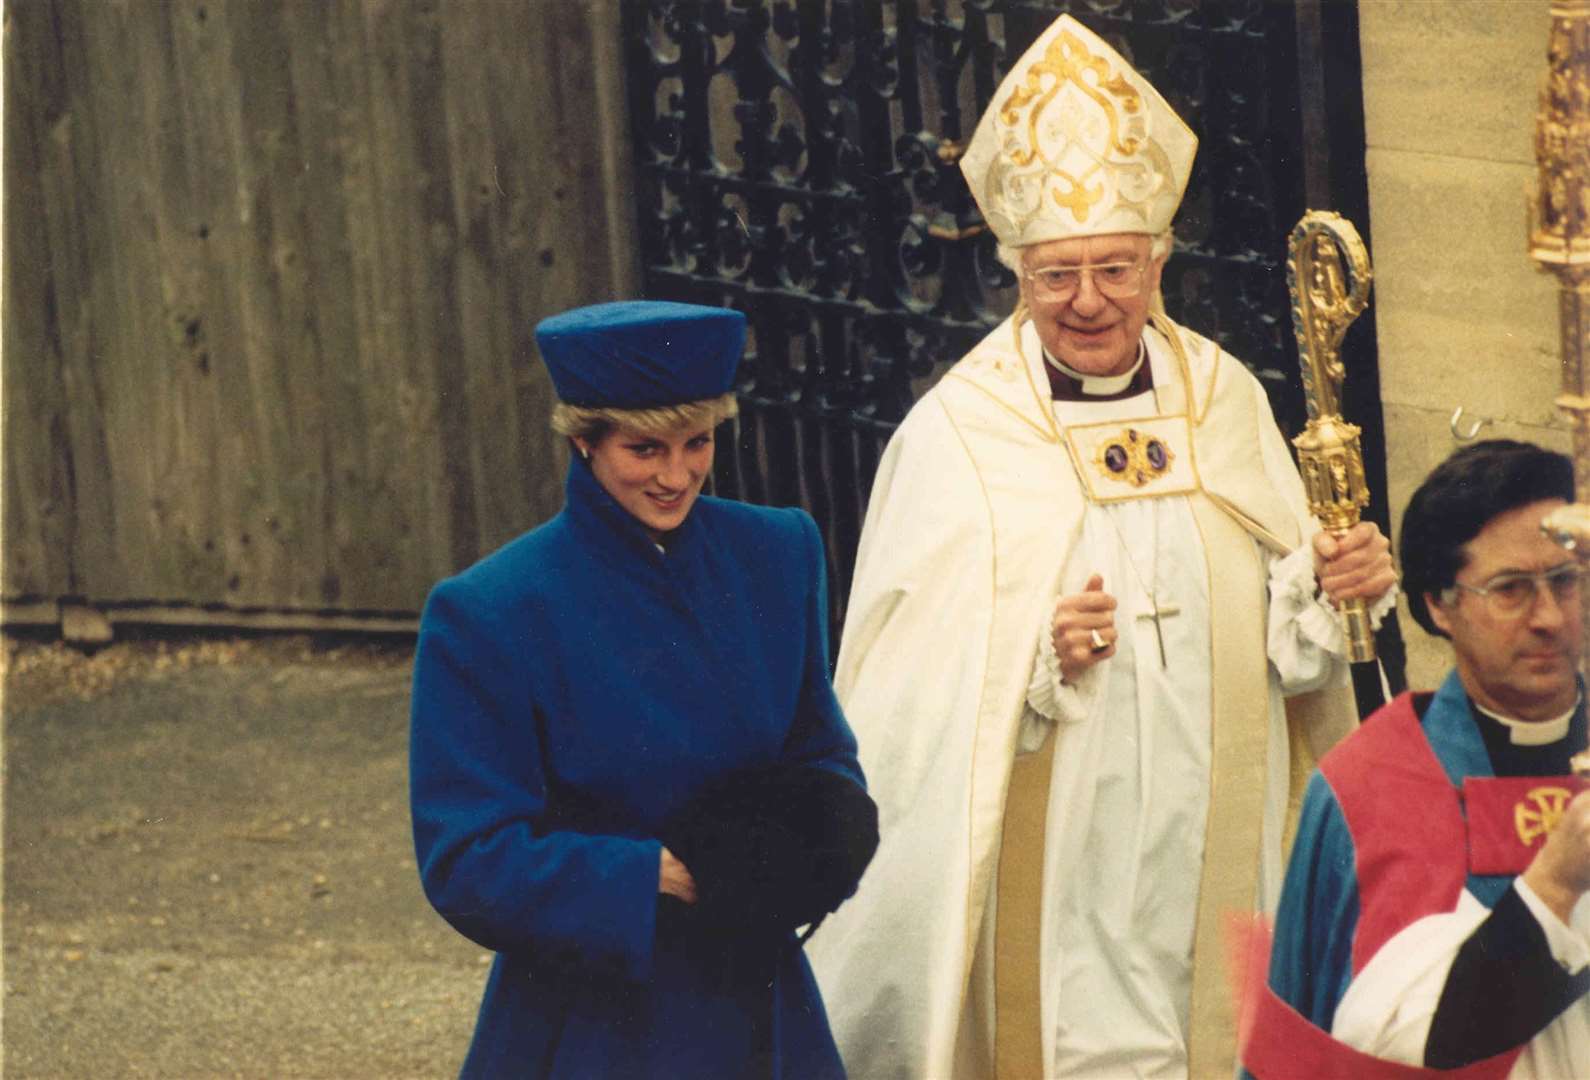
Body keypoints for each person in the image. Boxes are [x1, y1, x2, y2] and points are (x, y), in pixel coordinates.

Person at [803, 14, 1398, 1079]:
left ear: (1159, 259)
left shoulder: (1224, 398)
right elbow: (907, 678)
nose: (1087, 302)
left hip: (1213, 797)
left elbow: (1291, 630)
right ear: (1015, 274)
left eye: (1115, 270)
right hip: (1059, 817)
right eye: (1056, 274)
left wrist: (1330, 586)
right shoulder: (959, 433)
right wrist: (1032, 652)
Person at [409, 300, 875, 1079]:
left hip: (763, 1006)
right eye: (644, 447)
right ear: (583, 441)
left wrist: (816, 839)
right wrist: (666, 873)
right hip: (597, 1018)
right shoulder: (492, 610)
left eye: (698, 443)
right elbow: (466, 858)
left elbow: (822, 751)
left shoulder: (778, 553)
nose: (676, 473)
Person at [1246, 440, 1590, 1079]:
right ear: (1439, 604)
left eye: (1565, 581)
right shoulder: (1367, 787)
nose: (1549, 617)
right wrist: (1557, 887)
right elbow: (1336, 1034)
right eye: (1511, 589)